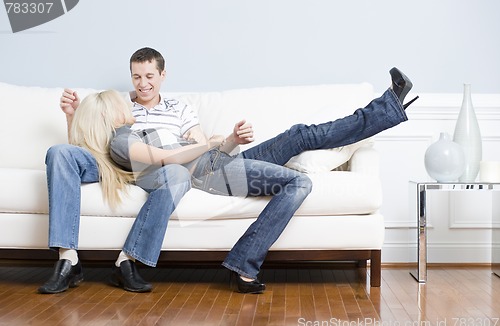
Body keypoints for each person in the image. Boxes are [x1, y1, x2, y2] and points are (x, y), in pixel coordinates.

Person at [39, 46, 416, 294]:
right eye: (136, 77)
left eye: (149, 77)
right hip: (208, 170)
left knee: (301, 134)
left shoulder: (180, 108)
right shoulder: (120, 110)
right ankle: (244, 266)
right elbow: (91, 148)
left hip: (220, 161)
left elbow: (207, 149)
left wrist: (232, 139)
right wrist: (73, 116)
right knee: (297, 184)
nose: (142, 84)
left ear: (162, 75)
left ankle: (389, 106)